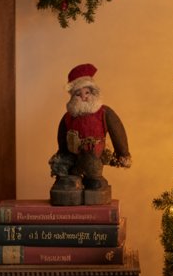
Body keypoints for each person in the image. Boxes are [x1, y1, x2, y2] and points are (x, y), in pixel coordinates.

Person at [50, 63, 131, 196]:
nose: (84, 97)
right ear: (72, 97)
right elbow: (62, 137)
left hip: (94, 155)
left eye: (87, 92)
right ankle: (73, 181)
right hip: (73, 156)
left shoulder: (104, 113)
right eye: (78, 94)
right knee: (69, 178)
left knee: (93, 172)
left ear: (93, 93)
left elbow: (117, 132)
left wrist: (123, 153)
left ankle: (94, 181)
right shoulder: (68, 117)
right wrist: (62, 155)